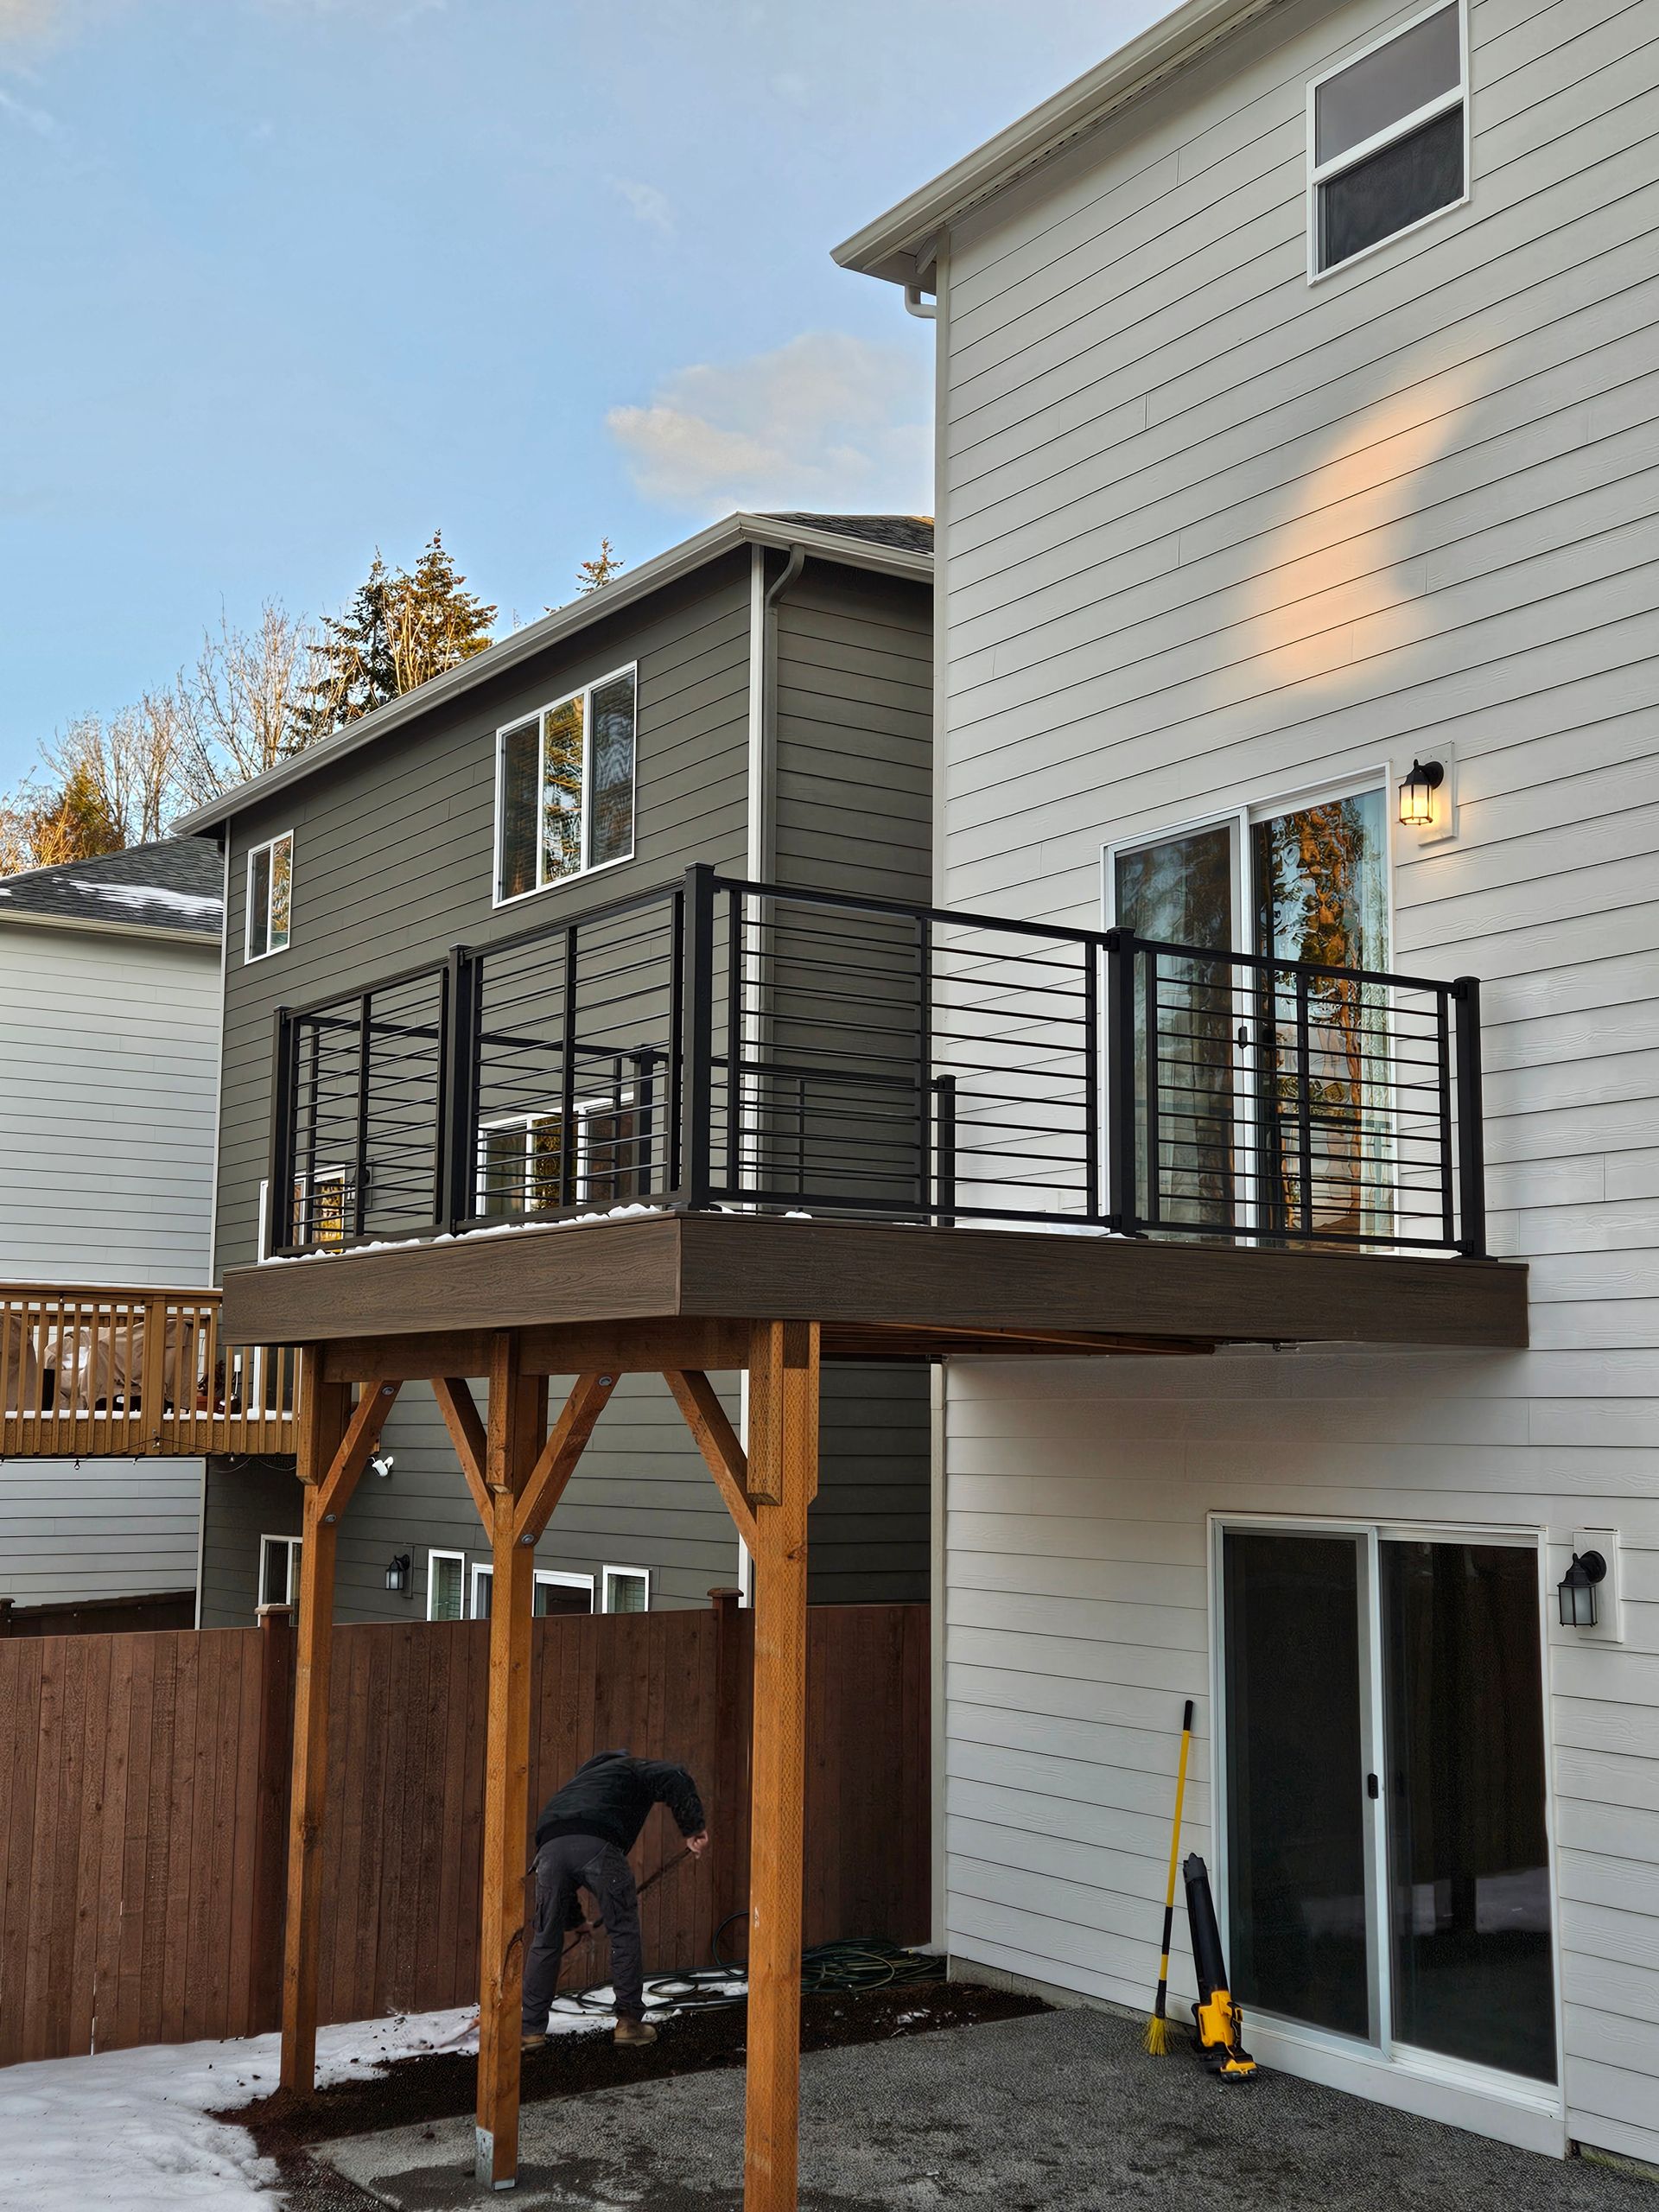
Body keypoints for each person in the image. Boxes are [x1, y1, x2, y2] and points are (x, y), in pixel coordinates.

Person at [521, 1747, 709, 2050]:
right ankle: (629, 2024)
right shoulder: (630, 1768)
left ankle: (530, 2032)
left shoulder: (575, 1787)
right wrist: (694, 1828)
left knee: (544, 1938)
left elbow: (565, 1846)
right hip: (597, 1844)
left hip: (549, 1849)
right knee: (623, 1930)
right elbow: (676, 1777)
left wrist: (577, 1922)